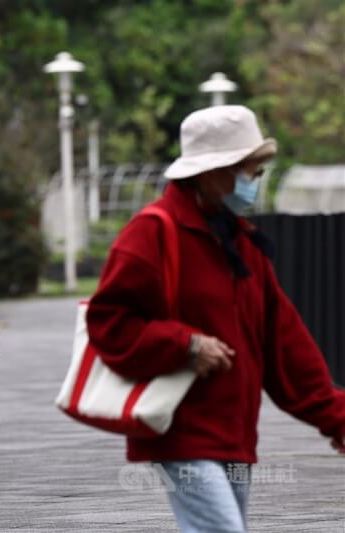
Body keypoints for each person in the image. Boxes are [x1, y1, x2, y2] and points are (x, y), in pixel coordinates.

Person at [86, 105, 345, 532]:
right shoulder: (153, 232)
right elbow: (107, 323)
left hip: (236, 436)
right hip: (180, 431)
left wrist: (336, 417)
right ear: (212, 171)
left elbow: (285, 346)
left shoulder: (242, 243)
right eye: (249, 171)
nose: (254, 184)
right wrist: (184, 344)